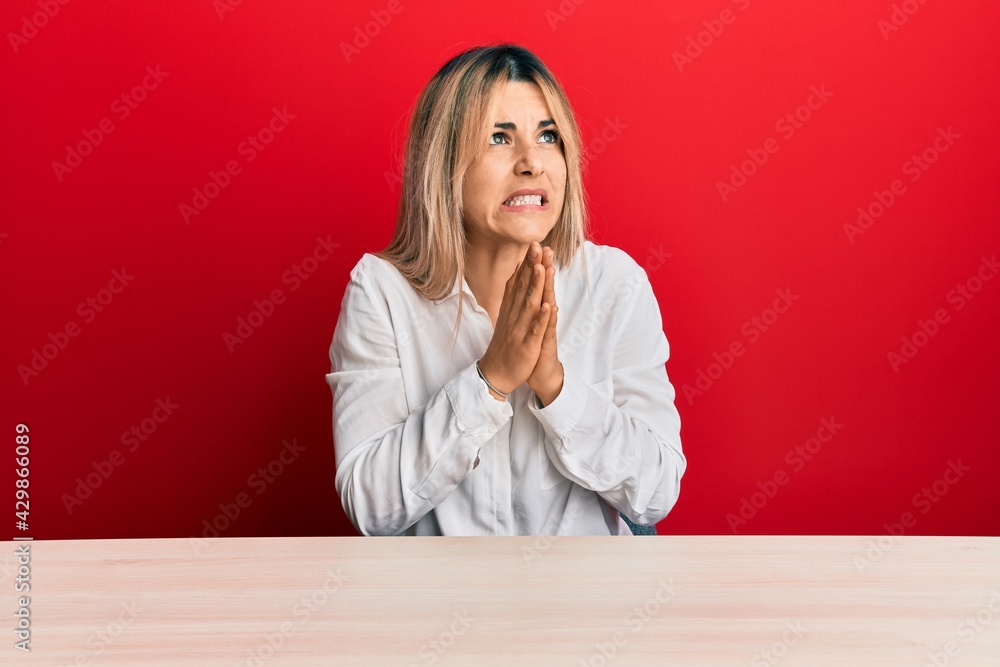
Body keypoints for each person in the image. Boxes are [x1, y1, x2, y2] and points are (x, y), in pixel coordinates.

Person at [326, 44, 685, 536]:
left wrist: (555, 386)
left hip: (584, 603)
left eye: (547, 136)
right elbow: (370, 505)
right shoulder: (381, 292)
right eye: (499, 137)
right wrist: (489, 379)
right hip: (438, 605)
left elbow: (657, 492)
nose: (532, 163)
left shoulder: (615, 285)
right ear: (444, 163)